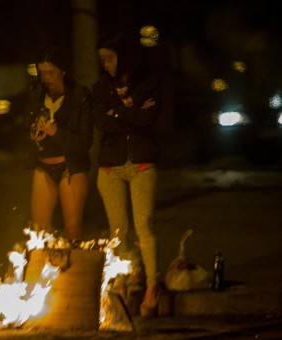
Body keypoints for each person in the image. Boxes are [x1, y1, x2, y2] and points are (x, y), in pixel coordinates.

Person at [91, 32, 162, 317]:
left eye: (109, 58)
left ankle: (152, 286)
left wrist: (117, 113)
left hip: (142, 163)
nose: (105, 64)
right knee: (118, 232)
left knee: (144, 226)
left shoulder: (149, 83)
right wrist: (129, 110)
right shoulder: (100, 89)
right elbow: (101, 122)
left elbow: (148, 119)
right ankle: (123, 283)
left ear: (124, 58)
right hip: (110, 167)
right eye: (101, 59)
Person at [26, 46, 94, 242]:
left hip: (70, 166)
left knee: (72, 229)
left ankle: (73, 268)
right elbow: (27, 123)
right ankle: (42, 270)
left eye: (51, 72)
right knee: (39, 230)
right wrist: (34, 134)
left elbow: (84, 142)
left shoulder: (80, 96)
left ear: (63, 71)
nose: (45, 78)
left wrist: (55, 133)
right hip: (43, 165)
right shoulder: (36, 92)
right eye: (42, 73)